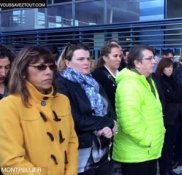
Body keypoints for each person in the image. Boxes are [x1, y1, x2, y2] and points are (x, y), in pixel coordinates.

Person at [0, 46, 78, 174]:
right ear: (23, 71)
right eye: (40, 67)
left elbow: (72, 142)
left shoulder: (63, 101)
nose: (48, 72)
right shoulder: (9, 106)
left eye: (51, 67)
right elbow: (10, 162)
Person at [56, 43, 117, 175]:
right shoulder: (62, 84)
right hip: (81, 151)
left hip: (102, 147)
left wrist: (109, 126)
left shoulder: (92, 82)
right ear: (67, 62)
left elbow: (109, 110)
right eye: (80, 59)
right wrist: (106, 123)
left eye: (88, 58)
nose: (86, 62)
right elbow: (75, 120)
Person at [112, 45, 165, 175]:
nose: (154, 61)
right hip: (137, 151)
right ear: (137, 63)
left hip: (147, 150)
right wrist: (148, 141)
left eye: (154, 58)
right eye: (149, 58)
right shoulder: (129, 84)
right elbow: (129, 122)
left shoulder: (147, 80)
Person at [156, 58, 182, 175]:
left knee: (172, 143)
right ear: (162, 68)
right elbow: (168, 96)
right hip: (167, 117)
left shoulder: (174, 79)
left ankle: (169, 169)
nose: (170, 69)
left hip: (177, 115)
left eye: (171, 67)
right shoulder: (159, 80)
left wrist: (175, 95)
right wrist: (176, 95)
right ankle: (164, 170)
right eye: (167, 67)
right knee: (166, 145)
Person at [92, 43, 122, 111]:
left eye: (120, 56)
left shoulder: (123, 73)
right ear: (105, 58)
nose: (119, 59)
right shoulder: (97, 75)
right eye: (115, 56)